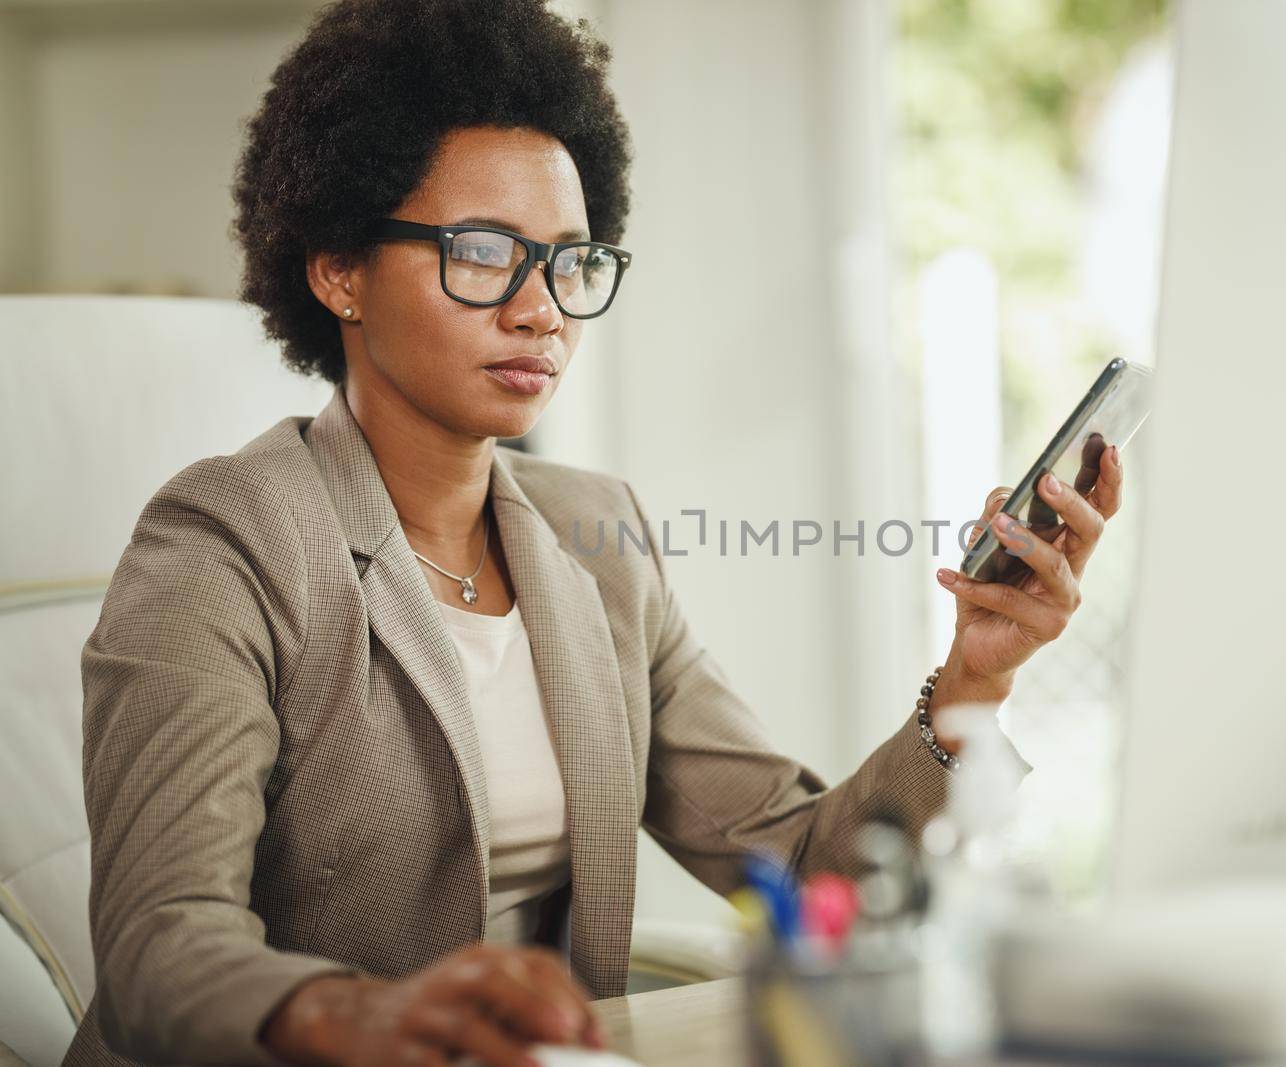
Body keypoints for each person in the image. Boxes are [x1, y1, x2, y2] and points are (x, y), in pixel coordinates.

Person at [65, 2, 1125, 1066]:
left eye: (570, 261)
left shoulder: (594, 535)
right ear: (338, 269)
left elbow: (806, 868)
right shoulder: (221, 542)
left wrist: (974, 675)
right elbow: (162, 946)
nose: (542, 311)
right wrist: (360, 1015)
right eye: (482, 253)